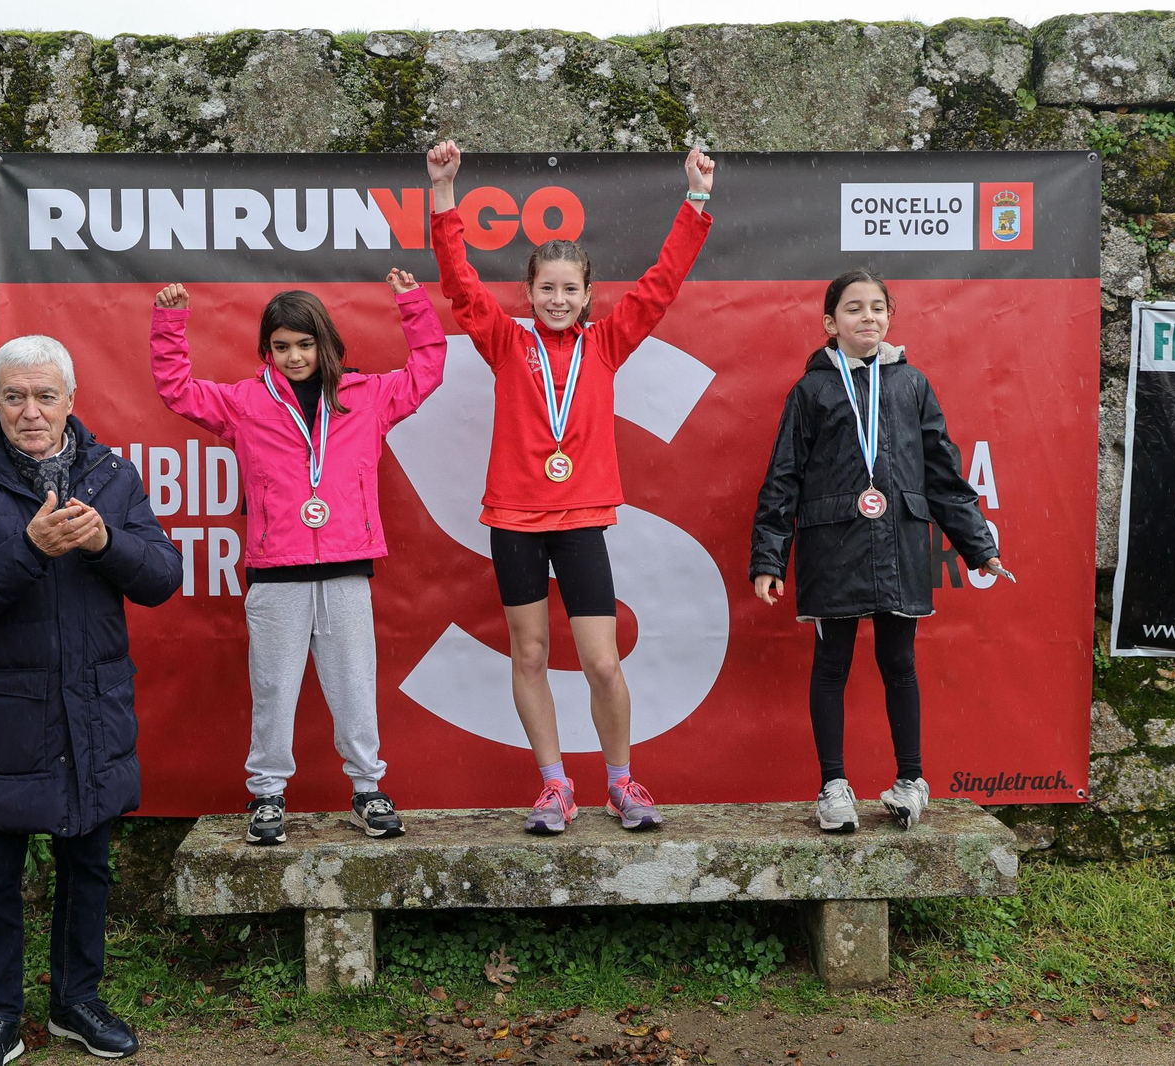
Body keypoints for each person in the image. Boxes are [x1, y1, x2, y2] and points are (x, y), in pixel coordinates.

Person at [425, 139, 715, 833]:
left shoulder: (607, 344)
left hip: (582, 519)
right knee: (529, 653)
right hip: (515, 521)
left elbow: (663, 283)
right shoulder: (505, 341)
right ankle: (554, 786)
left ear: (588, 296)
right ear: (528, 294)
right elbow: (460, 281)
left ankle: (621, 781)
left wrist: (697, 199)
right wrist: (443, 193)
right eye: (546, 289)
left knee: (603, 663)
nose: (558, 299)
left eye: (569, 289)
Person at [0, 335, 184, 1065]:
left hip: (91, 706)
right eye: (14, 397)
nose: (30, 412)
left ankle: (76, 1003)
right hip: (3, 714)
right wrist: (29, 548)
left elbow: (162, 576)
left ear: (72, 401)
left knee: (88, 863)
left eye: (44, 397)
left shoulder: (110, 475)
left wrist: (107, 544)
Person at [149, 270, 446, 845]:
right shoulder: (244, 404)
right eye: (281, 347)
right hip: (276, 572)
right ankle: (266, 795)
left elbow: (427, 370)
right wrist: (170, 323)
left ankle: (368, 790)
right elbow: (177, 389)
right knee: (274, 689)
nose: (294, 356)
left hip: (345, 568)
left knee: (355, 685)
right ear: (267, 351)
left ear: (326, 344)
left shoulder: (367, 397)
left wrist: (413, 304)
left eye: (305, 345)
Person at [750, 270, 1007, 834]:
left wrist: (977, 545)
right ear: (829, 323)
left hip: (900, 546)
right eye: (853, 309)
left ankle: (910, 780)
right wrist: (770, 558)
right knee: (832, 665)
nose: (867, 318)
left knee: (899, 664)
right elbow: (783, 478)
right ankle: (833, 786)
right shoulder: (812, 389)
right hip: (832, 545)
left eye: (877, 308)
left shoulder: (912, 385)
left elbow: (943, 475)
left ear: (890, 317)